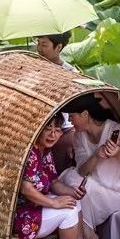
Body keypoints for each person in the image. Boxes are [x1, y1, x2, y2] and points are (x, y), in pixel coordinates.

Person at [59, 95, 120, 239]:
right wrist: (96, 155)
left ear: (85, 114)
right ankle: (87, 233)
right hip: (97, 186)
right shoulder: (79, 136)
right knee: (71, 178)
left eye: (72, 116)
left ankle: (88, 235)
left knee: (76, 183)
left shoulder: (119, 132)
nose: (69, 121)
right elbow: (82, 171)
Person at [13, 118, 84, 239]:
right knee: (68, 212)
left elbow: (53, 182)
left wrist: (73, 191)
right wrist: (54, 203)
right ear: (38, 129)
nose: (53, 134)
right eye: (48, 129)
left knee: (74, 200)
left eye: (57, 130)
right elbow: (26, 189)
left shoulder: (45, 151)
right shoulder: (30, 153)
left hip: (36, 204)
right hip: (22, 214)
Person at [35, 32, 77, 171]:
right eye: (38, 43)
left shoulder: (70, 73)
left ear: (58, 47)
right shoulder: (32, 66)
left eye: (44, 45)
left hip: (61, 126)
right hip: (35, 123)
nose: (40, 49)